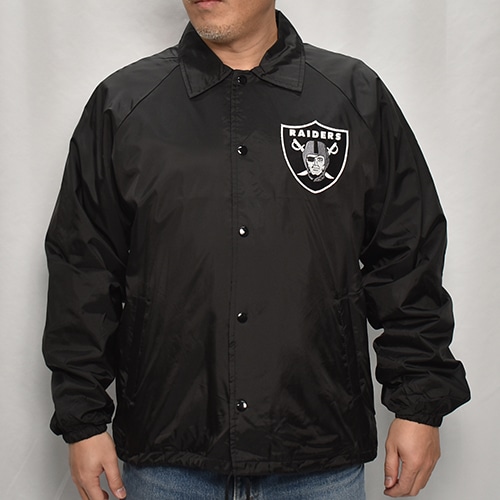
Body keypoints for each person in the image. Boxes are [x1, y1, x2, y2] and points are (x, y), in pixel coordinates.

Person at [42, 1, 470, 499]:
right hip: (168, 460)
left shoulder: (354, 97)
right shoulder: (123, 104)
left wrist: (419, 404)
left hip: (317, 458)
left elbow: (407, 257)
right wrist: (84, 419)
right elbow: (83, 268)